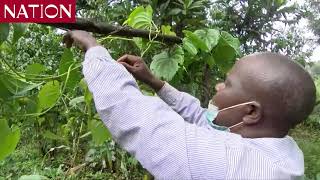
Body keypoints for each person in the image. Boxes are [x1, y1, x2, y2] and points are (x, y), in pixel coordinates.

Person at [63, 30, 316, 179]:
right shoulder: (278, 149)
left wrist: (93, 48)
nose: (218, 86)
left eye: (227, 84)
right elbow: (203, 119)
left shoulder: (231, 165)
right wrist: (154, 82)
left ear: (251, 111)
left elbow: (141, 121)